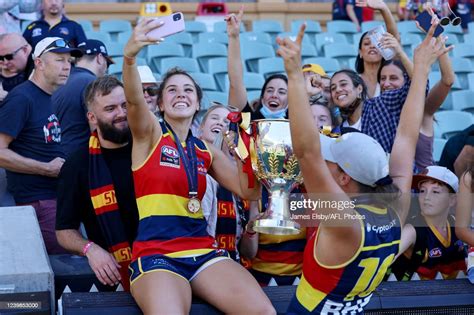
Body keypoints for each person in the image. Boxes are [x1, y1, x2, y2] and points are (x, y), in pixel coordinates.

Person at [279, 20, 450, 314]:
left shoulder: (344, 223)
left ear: (345, 178)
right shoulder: (393, 207)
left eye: (330, 158)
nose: (325, 161)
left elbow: (307, 153)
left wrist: (294, 75)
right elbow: (407, 137)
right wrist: (421, 69)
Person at [122, 19, 275, 314]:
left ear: (197, 103)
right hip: (157, 254)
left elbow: (250, 192)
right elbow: (133, 102)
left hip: (203, 251)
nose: (181, 94)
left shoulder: (206, 152)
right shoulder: (149, 135)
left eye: (188, 90)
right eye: (173, 91)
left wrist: (244, 154)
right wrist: (130, 58)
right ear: (161, 105)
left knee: (264, 312)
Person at [0, 36, 82, 254]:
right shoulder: (21, 98)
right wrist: (45, 168)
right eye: (59, 60)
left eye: (69, 61)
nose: (67, 67)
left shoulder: (49, 97)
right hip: (38, 202)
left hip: (55, 198)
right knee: (65, 272)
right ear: (39, 63)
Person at [56, 75, 138, 290]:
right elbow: (64, 231)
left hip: (167, 261)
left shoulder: (152, 150)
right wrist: (90, 249)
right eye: (110, 108)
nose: (121, 114)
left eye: (124, 105)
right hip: (116, 274)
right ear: (92, 117)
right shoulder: (77, 165)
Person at [377, 27, 455, 171]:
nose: (386, 84)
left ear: (407, 81)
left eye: (393, 78)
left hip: (423, 189)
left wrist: (436, 33)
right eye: (382, 79)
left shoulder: (424, 109)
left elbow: (447, 80)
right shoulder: (377, 112)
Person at [390, 166, 466, 280]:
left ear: (452, 200)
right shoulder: (412, 230)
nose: (426, 197)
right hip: (416, 296)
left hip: (456, 295)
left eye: (435, 191)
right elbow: (386, 257)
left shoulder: (458, 226)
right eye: (422, 191)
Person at [52, 39, 113, 157]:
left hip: (55, 156)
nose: (107, 69)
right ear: (100, 58)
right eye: (108, 63)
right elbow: (98, 128)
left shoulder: (60, 81)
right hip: (80, 158)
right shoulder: (93, 83)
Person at [353, 0, 400, 98]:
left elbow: (393, 38)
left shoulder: (390, 81)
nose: (372, 46)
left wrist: (384, 9)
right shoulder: (353, 81)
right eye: (366, 43)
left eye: (376, 43)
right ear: (360, 52)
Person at [0, 33, 33, 98]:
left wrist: (7, 98)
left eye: (9, 57)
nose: (5, 62)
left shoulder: (39, 67)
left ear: (24, 50)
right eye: (0, 58)